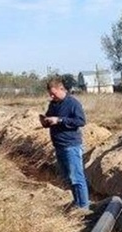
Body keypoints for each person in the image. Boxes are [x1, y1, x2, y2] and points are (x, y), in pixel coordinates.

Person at [39, 77, 91, 211]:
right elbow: (50, 118)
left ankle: (84, 208)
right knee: (69, 178)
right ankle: (77, 202)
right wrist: (45, 121)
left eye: (53, 93)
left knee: (77, 178)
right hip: (59, 146)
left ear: (61, 89)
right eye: (50, 94)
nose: (51, 96)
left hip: (71, 146)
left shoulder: (73, 103)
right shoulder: (53, 104)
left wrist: (60, 120)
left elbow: (80, 121)